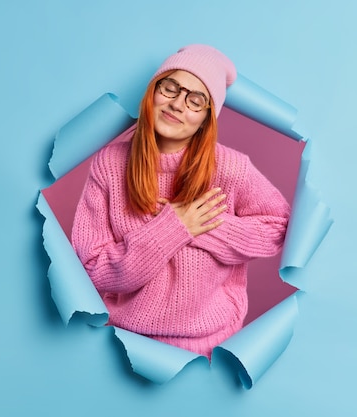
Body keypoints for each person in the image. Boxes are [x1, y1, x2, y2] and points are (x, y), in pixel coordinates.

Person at [71, 44, 290, 358]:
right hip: (122, 344)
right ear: (153, 92)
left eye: (195, 100)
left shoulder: (229, 167)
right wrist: (173, 227)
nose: (177, 104)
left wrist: (202, 225)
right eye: (170, 87)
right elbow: (92, 269)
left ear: (206, 119)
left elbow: (278, 226)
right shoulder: (110, 164)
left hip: (210, 349)